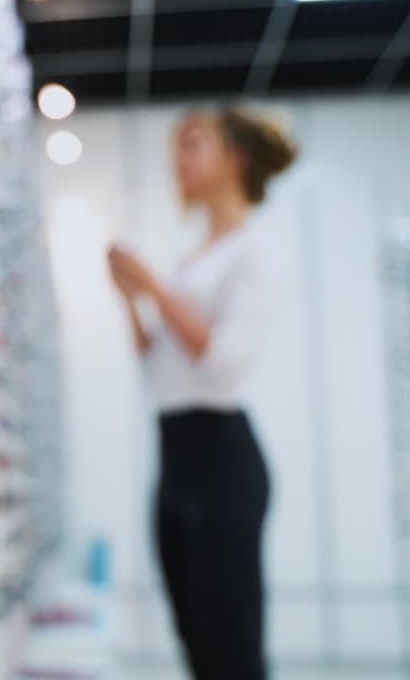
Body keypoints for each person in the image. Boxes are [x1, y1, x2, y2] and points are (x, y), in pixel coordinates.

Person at [107, 106, 297, 679]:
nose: (180, 161)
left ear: (234, 159)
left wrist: (155, 289)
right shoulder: (194, 253)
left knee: (233, 648)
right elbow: (157, 370)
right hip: (176, 455)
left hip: (221, 461)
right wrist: (130, 300)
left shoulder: (255, 248)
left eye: (194, 146)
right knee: (196, 641)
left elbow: (222, 363)